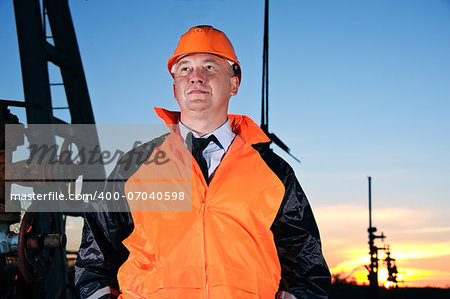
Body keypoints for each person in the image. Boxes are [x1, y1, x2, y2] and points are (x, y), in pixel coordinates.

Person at [75, 25, 330, 299]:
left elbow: (306, 267)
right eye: (185, 69)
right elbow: (94, 264)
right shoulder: (134, 166)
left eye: (209, 67)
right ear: (175, 89)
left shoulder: (273, 172)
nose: (196, 77)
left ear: (234, 83)